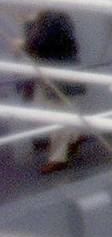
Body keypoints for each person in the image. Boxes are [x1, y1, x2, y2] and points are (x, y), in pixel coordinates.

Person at [22, 9, 85, 174]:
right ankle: (74, 137)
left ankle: (58, 158)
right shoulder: (62, 18)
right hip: (68, 73)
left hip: (57, 78)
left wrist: (26, 33)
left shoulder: (49, 20)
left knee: (58, 117)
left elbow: (36, 46)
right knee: (67, 111)